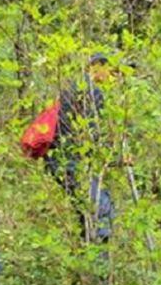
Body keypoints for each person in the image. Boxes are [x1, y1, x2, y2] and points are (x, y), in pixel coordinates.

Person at [45, 53, 115, 245]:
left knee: (85, 210)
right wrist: (115, 157)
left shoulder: (69, 88)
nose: (113, 76)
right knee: (101, 208)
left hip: (57, 160)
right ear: (98, 67)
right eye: (111, 70)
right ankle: (99, 268)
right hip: (72, 160)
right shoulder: (92, 93)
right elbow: (93, 136)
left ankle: (87, 261)